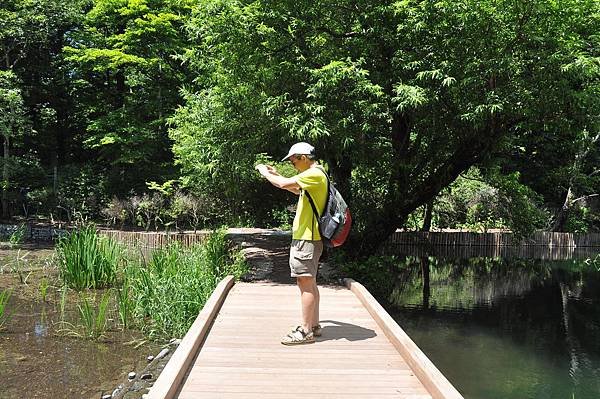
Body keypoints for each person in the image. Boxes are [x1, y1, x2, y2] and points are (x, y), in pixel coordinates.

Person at [255, 142, 327, 345]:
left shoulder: (314, 174)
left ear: (303, 157)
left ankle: (305, 331)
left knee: (304, 282)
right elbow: (294, 188)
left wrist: (264, 172)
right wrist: (276, 174)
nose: (293, 164)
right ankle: (313, 325)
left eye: (293, 160)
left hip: (307, 238)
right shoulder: (317, 174)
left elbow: (283, 184)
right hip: (309, 237)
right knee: (309, 281)